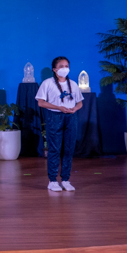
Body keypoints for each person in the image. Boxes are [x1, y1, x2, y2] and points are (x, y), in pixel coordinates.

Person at [35, 56, 84, 192]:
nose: (65, 68)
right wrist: (59, 107)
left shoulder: (73, 84)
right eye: (61, 66)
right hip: (54, 116)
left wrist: (75, 108)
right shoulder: (47, 83)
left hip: (70, 117)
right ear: (55, 69)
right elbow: (41, 102)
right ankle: (52, 180)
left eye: (67, 66)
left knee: (69, 148)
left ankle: (66, 179)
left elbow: (80, 102)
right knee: (55, 149)